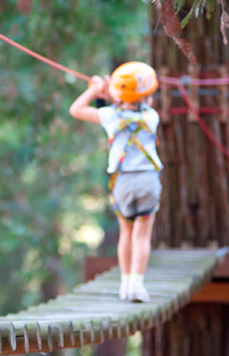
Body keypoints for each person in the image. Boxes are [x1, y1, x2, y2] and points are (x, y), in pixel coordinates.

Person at [69, 62, 162, 302]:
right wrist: (110, 88)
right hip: (148, 181)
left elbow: (76, 109)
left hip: (122, 182)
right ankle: (137, 285)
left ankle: (125, 285)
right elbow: (132, 98)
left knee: (126, 234)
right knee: (142, 236)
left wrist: (95, 89)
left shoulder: (109, 116)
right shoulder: (152, 116)